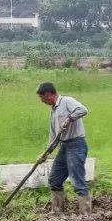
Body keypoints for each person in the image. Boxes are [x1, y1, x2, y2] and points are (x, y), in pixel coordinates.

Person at [36, 82, 91, 214]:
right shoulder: (53, 111)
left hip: (76, 145)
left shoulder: (66, 101)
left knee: (77, 181)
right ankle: (57, 212)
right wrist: (46, 153)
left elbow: (83, 110)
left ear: (48, 95)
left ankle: (86, 215)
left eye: (42, 98)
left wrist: (70, 118)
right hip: (64, 146)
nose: (42, 102)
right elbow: (54, 136)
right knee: (54, 180)